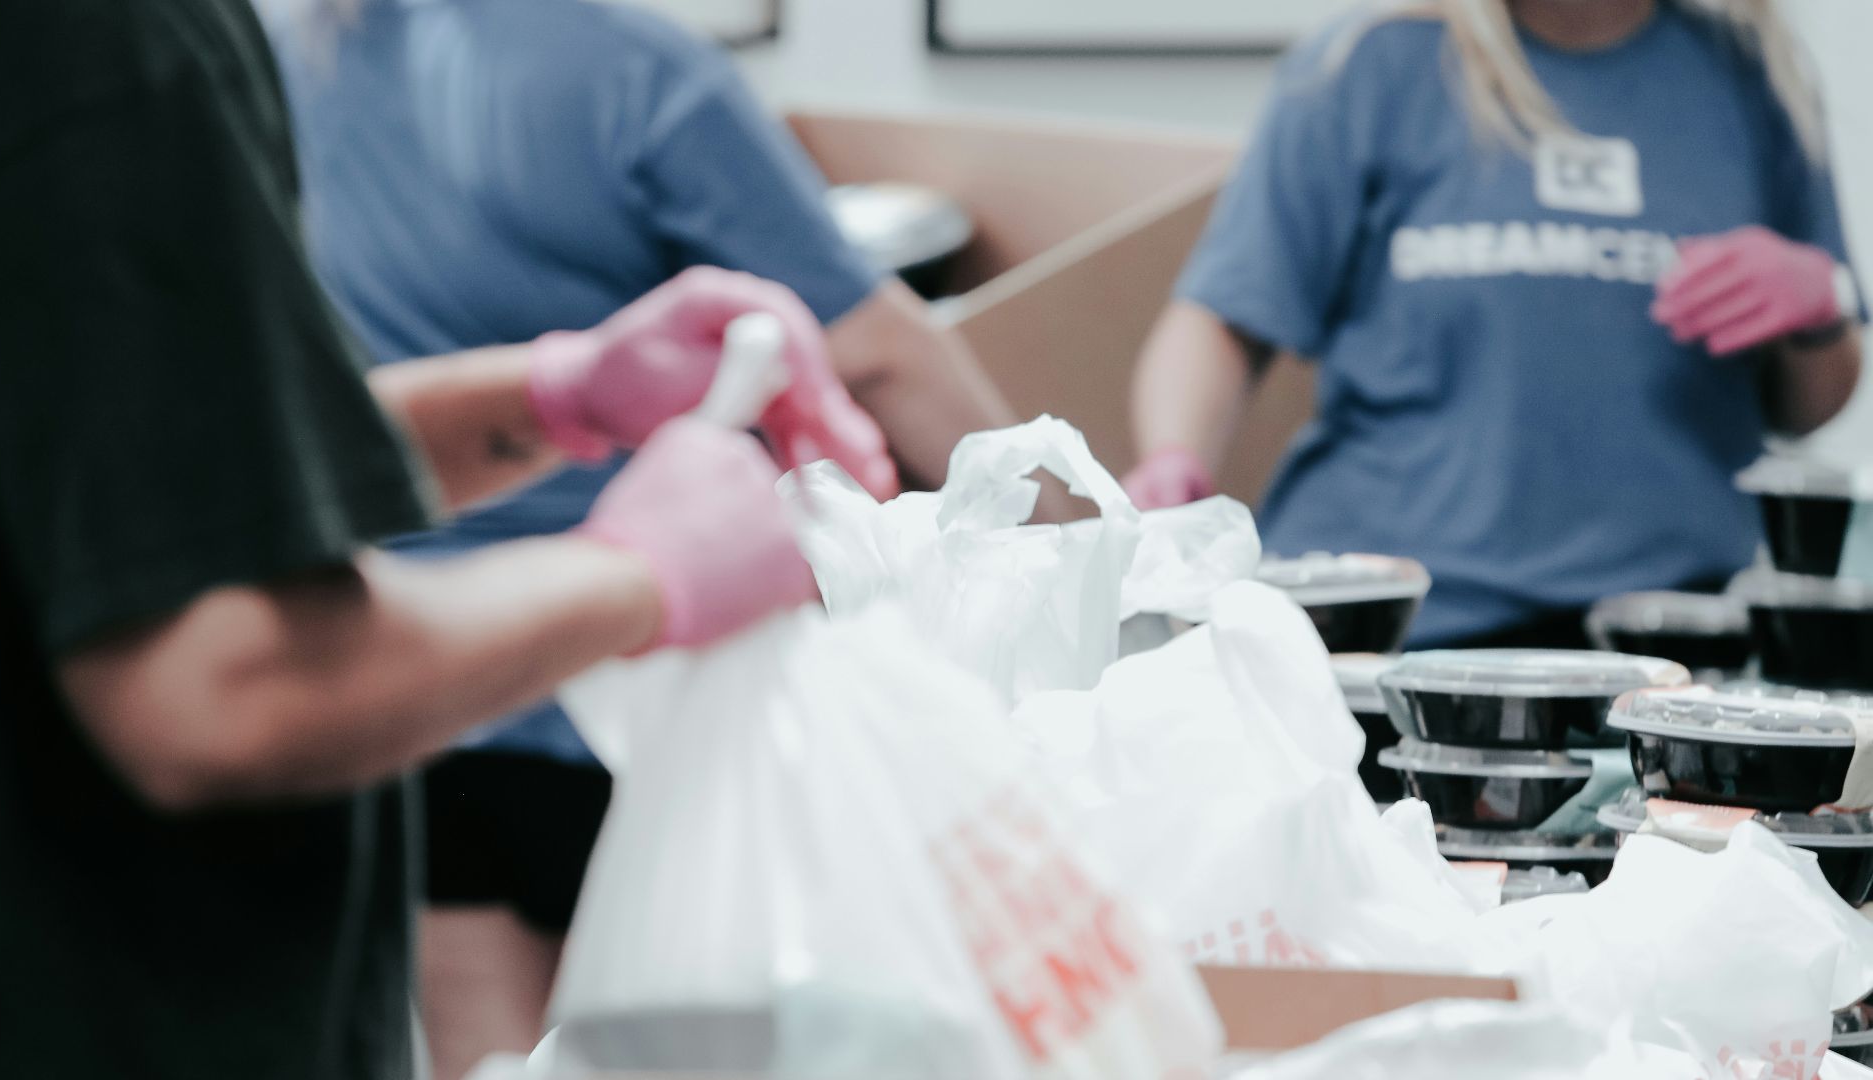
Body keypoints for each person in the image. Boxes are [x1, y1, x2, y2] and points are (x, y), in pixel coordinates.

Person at [0, 1, 889, 1076]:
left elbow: (158, 467)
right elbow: (220, 686)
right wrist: (643, 569)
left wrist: (557, 396)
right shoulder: (98, 37)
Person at [254, 1, 1044, 1069]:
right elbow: (876, 352)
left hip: (422, 677)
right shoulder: (629, 69)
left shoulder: (296, 56)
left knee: (486, 1058)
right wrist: (1073, 544)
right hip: (629, 685)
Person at [1125, 0, 1864, 651]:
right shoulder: (1369, 65)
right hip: (1393, 637)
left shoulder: (1751, 77)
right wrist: (1174, 456)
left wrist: (1819, 309)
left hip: (1668, 649)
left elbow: (1807, 407)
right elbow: (1219, 321)